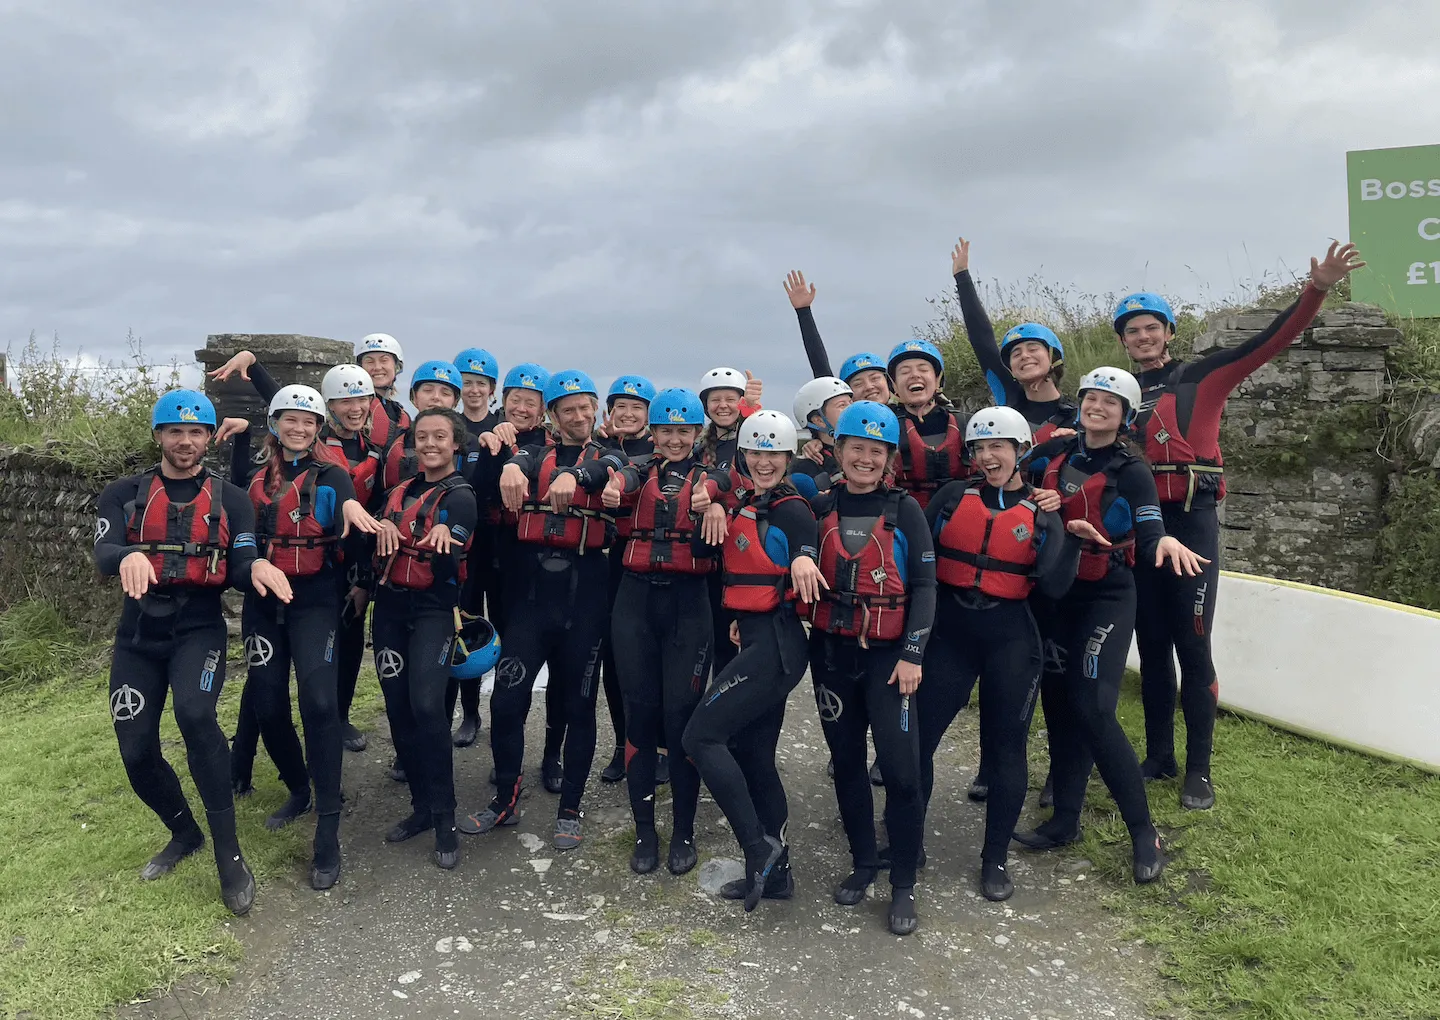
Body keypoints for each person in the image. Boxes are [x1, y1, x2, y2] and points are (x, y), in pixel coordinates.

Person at [1120, 241, 1364, 811]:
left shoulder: (1204, 375)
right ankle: (1159, 756)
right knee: (1151, 647)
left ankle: (1198, 771)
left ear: (1168, 332)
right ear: (1123, 342)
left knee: (1193, 644)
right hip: (1146, 529)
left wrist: (1318, 287)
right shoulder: (1118, 394)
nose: (1142, 338)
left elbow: (1270, 341)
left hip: (1194, 521)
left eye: (1151, 327)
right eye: (1132, 331)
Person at [94, 389, 294, 915]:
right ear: (158, 435)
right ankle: (184, 834)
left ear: (209, 438)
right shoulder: (124, 493)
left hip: (198, 629)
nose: (185, 441)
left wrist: (257, 569)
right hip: (138, 635)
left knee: (195, 716)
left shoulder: (231, 499)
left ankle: (230, 855)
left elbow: (240, 560)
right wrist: (127, 558)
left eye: (196, 432)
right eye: (175, 431)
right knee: (135, 749)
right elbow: (104, 550)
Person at [1014, 368, 1207, 884]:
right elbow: (1005, 485)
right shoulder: (1051, 454)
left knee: (1095, 708)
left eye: (1109, 401)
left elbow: (1148, 530)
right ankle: (1065, 821)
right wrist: (1035, 501)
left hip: (1107, 595)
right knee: (1058, 706)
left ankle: (1145, 832)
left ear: (1125, 415)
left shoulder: (1133, 469)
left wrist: (1160, 541)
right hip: (1055, 596)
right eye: (1090, 398)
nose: (1097, 406)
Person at [920, 407, 1081, 902]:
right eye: (979, 448)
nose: (987, 456)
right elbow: (918, 557)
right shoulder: (951, 498)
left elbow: (1053, 585)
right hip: (950, 633)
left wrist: (1068, 536)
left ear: (1020, 452)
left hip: (1010, 636)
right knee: (918, 737)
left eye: (998, 447)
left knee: (1007, 747)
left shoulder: (1042, 510)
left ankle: (994, 859)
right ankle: (904, 833)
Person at [460, 370, 623, 850]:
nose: (578, 416)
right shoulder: (535, 453)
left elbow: (606, 471)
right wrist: (509, 466)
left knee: (578, 707)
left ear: (595, 411)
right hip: (531, 603)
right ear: (553, 416)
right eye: (568, 409)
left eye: (585, 407)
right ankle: (505, 797)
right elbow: (520, 460)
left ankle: (571, 806)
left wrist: (574, 475)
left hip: (586, 601)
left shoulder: (609, 456)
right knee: (506, 701)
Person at [230, 385, 379, 889]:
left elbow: (351, 517)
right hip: (264, 602)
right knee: (268, 702)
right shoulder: (255, 481)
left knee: (319, 703)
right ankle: (298, 787)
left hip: (315, 597)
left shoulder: (333, 475)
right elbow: (239, 531)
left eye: (309, 422)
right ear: (274, 425)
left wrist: (359, 557)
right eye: (290, 420)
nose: (299, 428)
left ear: (319, 429)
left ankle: (328, 831)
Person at [948, 238, 1078, 805]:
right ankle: (991, 765)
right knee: (998, 670)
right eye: (1016, 353)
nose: (1024, 358)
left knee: (1051, 670)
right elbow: (981, 342)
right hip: (1000, 546)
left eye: (1034, 350)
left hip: (1047, 540)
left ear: (1053, 359)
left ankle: (1056, 772)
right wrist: (963, 280)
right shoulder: (1004, 405)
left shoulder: (1079, 414)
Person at [684, 410, 823, 910]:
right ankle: (776, 874)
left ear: (789, 457)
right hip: (759, 638)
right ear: (742, 456)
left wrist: (806, 558)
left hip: (776, 650)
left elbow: (805, 543)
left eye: (774, 453)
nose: (765, 462)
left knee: (700, 737)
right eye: (756, 453)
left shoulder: (790, 507)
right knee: (754, 755)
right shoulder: (746, 499)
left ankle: (756, 846)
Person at [806, 401, 935, 936]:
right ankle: (863, 862)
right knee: (847, 763)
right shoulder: (816, 506)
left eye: (875, 451)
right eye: (855, 447)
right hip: (832, 656)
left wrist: (913, 653)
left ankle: (902, 880)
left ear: (888, 458)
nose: (864, 457)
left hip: (887, 660)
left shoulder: (905, 512)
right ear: (838, 451)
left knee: (903, 773)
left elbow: (926, 587)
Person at [601, 388, 729, 877]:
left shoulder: (712, 478)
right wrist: (611, 487)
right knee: (641, 716)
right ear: (653, 434)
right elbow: (620, 479)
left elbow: (725, 484)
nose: (674, 439)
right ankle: (644, 831)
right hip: (634, 600)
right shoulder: (636, 474)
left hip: (688, 605)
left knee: (681, 717)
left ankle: (683, 831)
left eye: (683, 431)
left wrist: (715, 503)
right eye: (665, 431)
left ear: (696, 435)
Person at [372, 408, 477, 870]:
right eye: (422, 436)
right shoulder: (397, 491)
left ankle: (444, 819)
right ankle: (419, 806)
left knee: (428, 708)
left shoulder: (462, 497)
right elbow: (366, 546)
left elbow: (453, 554)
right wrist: (378, 528)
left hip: (433, 610)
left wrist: (443, 538)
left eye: (440, 436)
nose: (430, 444)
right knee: (397, 709)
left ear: (456, 444)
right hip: (389, 609)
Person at [594, 374, 658, 784]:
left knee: (654, 661)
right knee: (614, 663)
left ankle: (662, 745)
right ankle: (622, 746)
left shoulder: (664, 448)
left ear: (649, 416)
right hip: (607, 566)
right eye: (621, 407)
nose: (629, 414)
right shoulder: (596, 450)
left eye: (637, 408)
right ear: (609, 413)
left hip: (649, 563)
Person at [697, 367, 764, 682]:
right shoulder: (700, 445)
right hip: (712, 551)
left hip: (747, 547)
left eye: (730, 399)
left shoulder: (755, 436)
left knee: (747, 640)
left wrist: (753, 411)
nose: (722, 405)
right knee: (718, 641)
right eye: (715, 400)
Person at [453, 347, 502, 749]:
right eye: (466, 383)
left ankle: (505, 709)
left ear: (492, 389)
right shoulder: (445, 427)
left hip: (499, 541)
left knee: (503, 622)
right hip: (460, 542)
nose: (473, 390)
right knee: (464, 626)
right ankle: (469, 713)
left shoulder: (503, 425)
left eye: (480, 384)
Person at [782, 270, 894, 404]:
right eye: (858, 384)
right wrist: (803, 312)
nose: (869, 387)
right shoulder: (842, 422)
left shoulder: (910, 414)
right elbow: (822, 371)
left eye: (875, 378)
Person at [886, 339, 968, 511]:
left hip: (960, 516)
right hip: (906, 518)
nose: (914, 375)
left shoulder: (967, 424)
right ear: (894, 386)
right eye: (904, 372)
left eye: (923, 369)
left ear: (938, 380)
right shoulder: (885, 428)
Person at [790, 376, 852, 499]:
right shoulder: (805, 467)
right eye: (842, 405)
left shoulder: (869, 448)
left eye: (851, 402)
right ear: (819, 421)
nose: (852, 408)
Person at [354, 333, 411, 449]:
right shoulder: (353, 409)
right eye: (369, 362)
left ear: (397, 366)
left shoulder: (399, 413)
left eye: (384, 360)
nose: (377, 367)